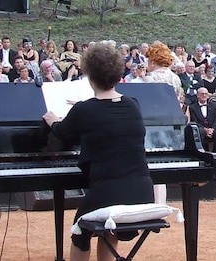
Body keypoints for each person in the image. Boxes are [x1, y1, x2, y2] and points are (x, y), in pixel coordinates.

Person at [41, 43, 154, 260]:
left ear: (88, 74)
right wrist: (84, 106)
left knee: (81, 231)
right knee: (107, 228)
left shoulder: (84, 109)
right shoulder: (133, 104)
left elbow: (62, 132)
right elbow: (106, 112)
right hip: (141, 190)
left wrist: (53, 121)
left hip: (108, 192)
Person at [188, 88, 216, 154]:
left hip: (212, 128)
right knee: (199, 131)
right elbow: (194, 121)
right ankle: (200, 154)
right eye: (202, 94)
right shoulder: (192, 107)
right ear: (197, 95)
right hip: (201, 128)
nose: (204, 95)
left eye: (206, 94)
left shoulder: (214, 105)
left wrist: (212, 129)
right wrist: (205, 130)